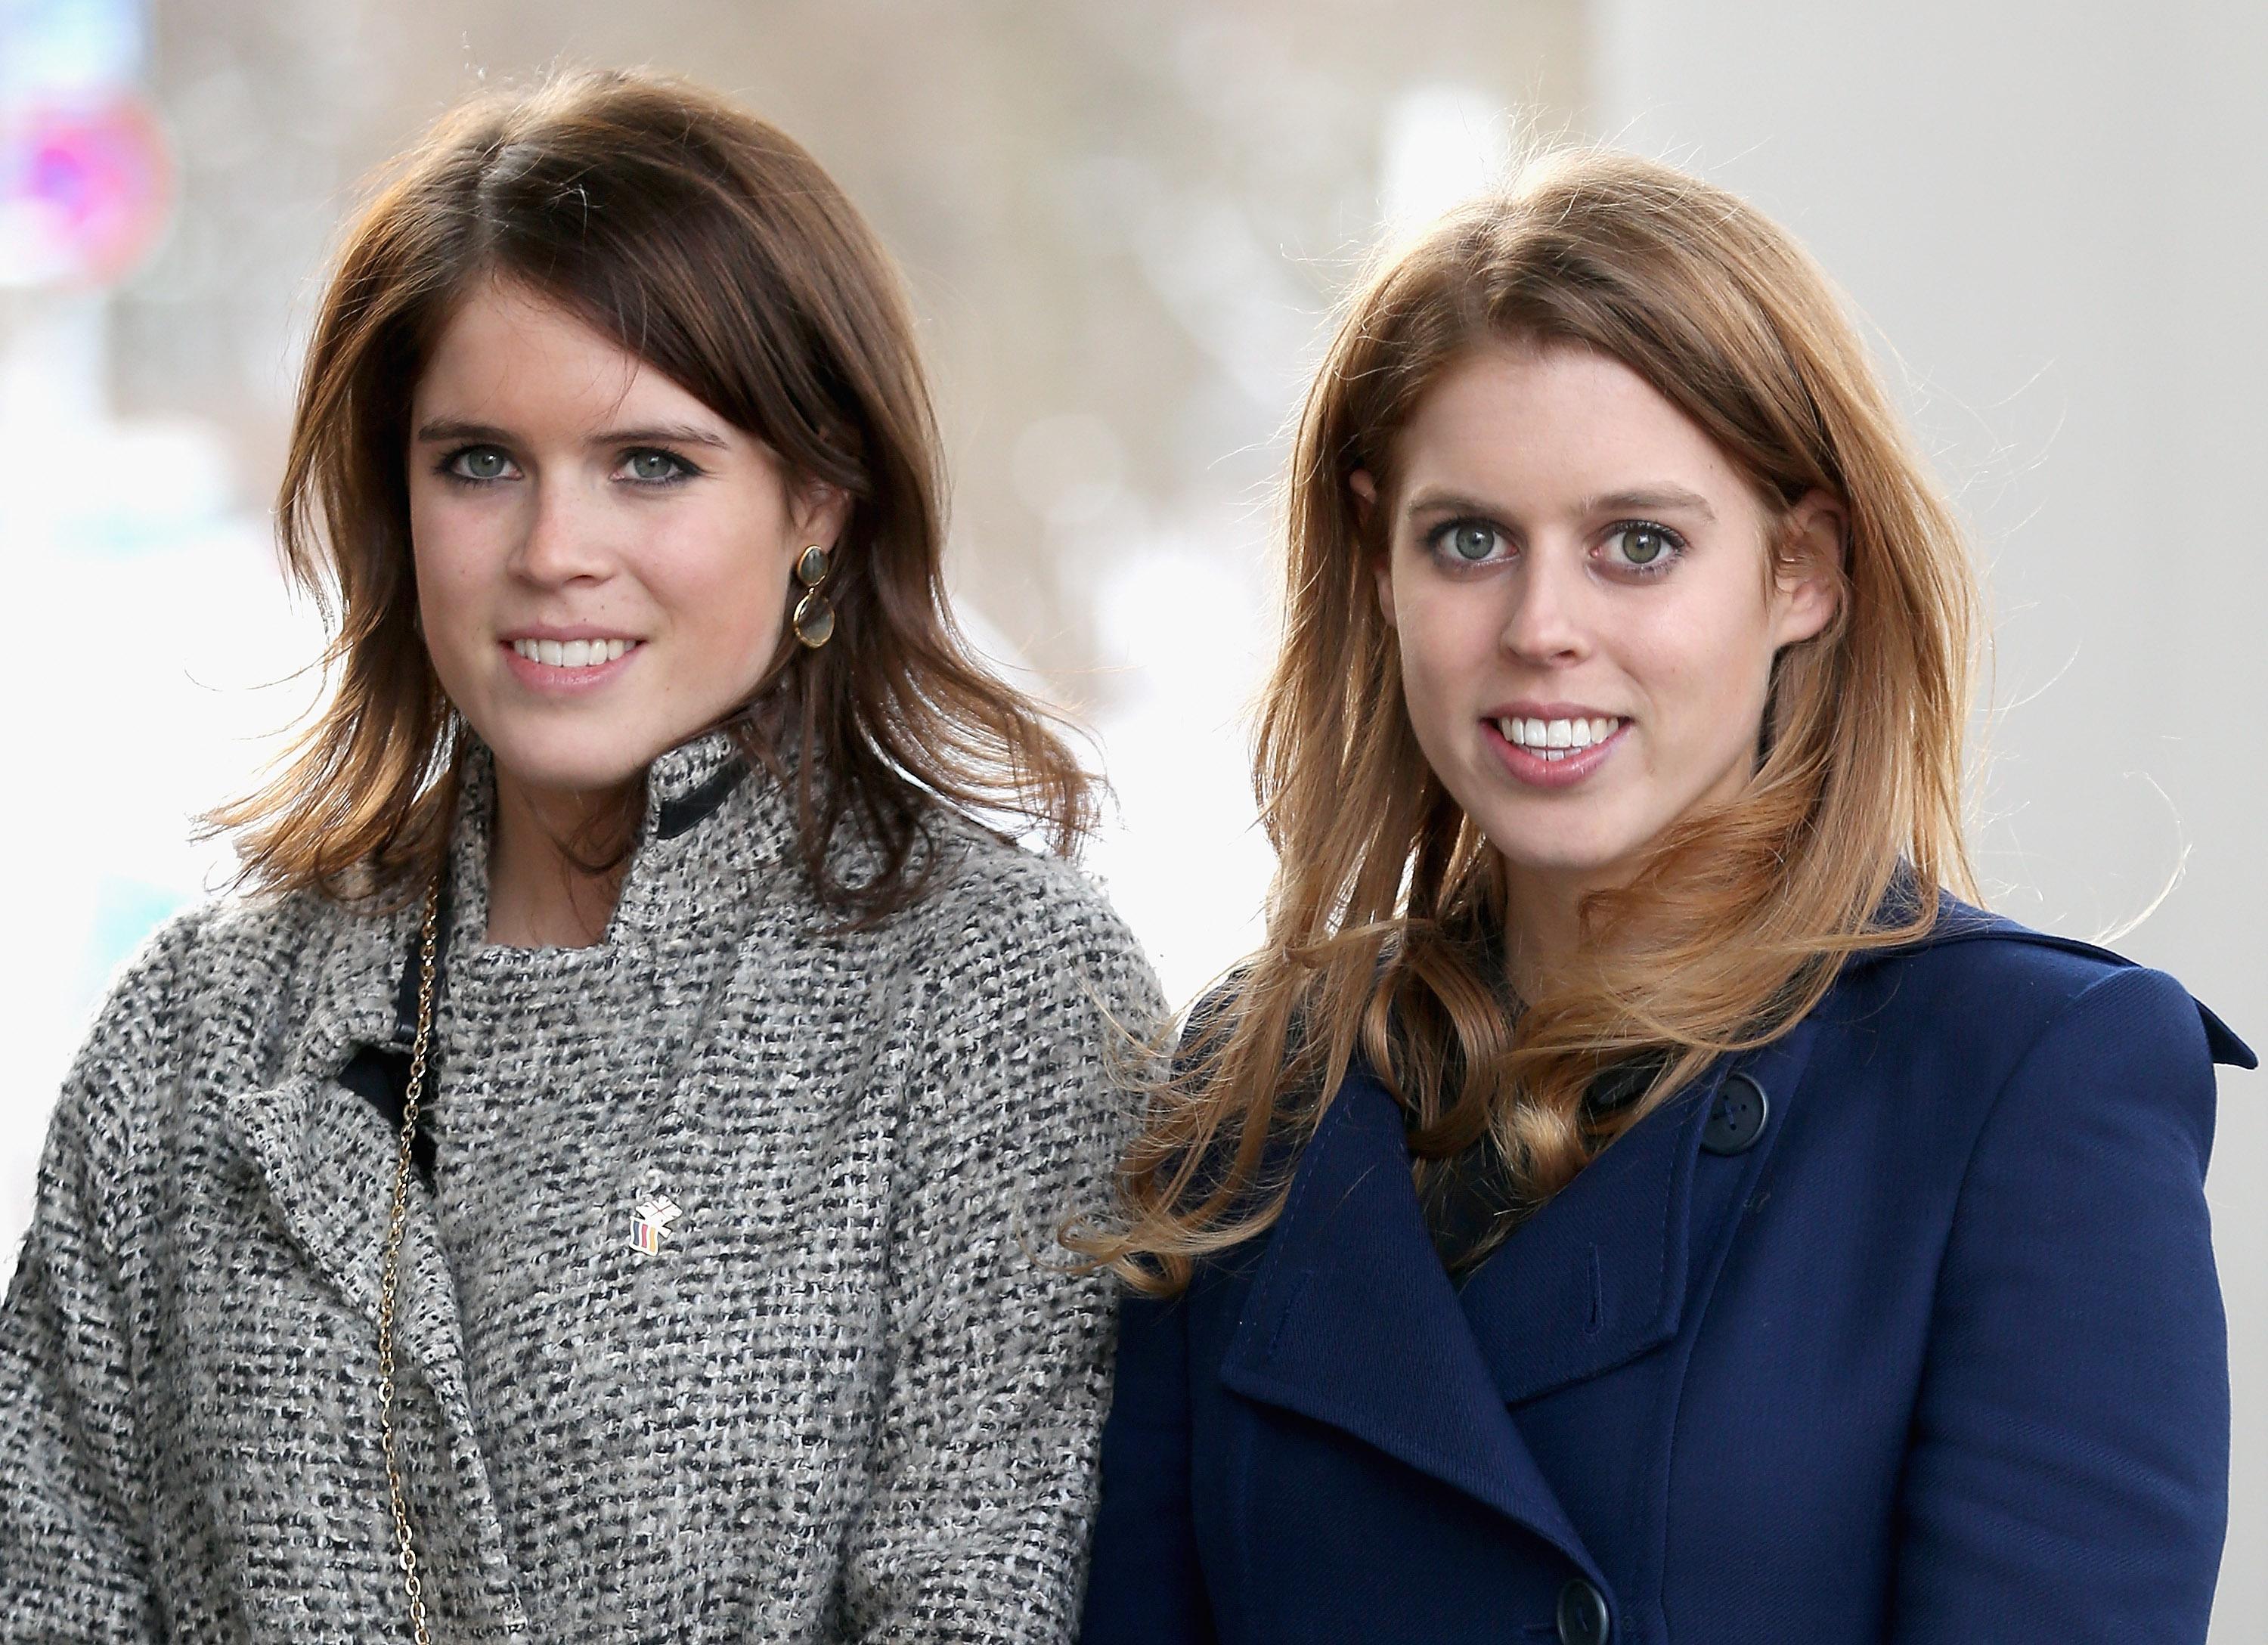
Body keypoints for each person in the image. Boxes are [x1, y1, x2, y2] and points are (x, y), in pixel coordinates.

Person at [0, 68, 1159, 1643]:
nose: (555, 551)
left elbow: (989, 1601)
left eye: (653, 463)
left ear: (818, 496)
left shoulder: (1000, 993)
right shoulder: (196, 1031)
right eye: (479, 460)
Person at [1074, 149, 2253, 1645]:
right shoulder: (1262, 1070)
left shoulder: (2029, 1076)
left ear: (1803, 570)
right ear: (1378, 560)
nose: (1542, 627)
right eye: (1469, 540)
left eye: (1640, 544)